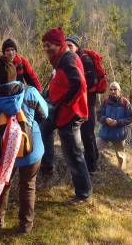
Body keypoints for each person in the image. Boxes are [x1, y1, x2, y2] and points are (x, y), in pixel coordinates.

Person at [0, 57, 48, 234]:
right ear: (16, 75)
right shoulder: (30, 92)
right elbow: (44, 114)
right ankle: (25, 225)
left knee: (3, 182)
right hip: (31, 150)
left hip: (5, 151)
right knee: (28, 185)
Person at [40, 27, 92, 205]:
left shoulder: (67, 59)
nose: (46, 48)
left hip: (70, 114)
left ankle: (83, 194)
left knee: (73, 153)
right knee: (44, 127)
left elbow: (78, 84)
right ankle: (47, 166)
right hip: (62, 110)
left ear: (58, 44)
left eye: (49, 45)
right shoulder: (61, 58)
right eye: (44, 45)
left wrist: (65, 103)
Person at [66, 34, 106, 173]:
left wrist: (77, 88)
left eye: (70, 45)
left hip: (88, 102)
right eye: (66, 46)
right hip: (80, 102)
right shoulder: (71, 59)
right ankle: (93, 158)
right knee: (85, 132)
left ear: (77, 46)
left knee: (87, 133)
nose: (68, 48)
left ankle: (92, 165)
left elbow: (93, 82)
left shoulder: (85, 60)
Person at [96, 82, 132, 170]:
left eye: (115, 89)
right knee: (96, 151)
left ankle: (122, 174)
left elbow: (131, 118)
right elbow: (99, 115)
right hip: (105, 133)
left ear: (119, 91)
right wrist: (105, 119)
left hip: (119, 135)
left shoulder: (125, 102)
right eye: (111, 89)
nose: (113, 91)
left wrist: (118, 122)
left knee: (121, 156)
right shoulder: (105, 101)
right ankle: (94, 169)